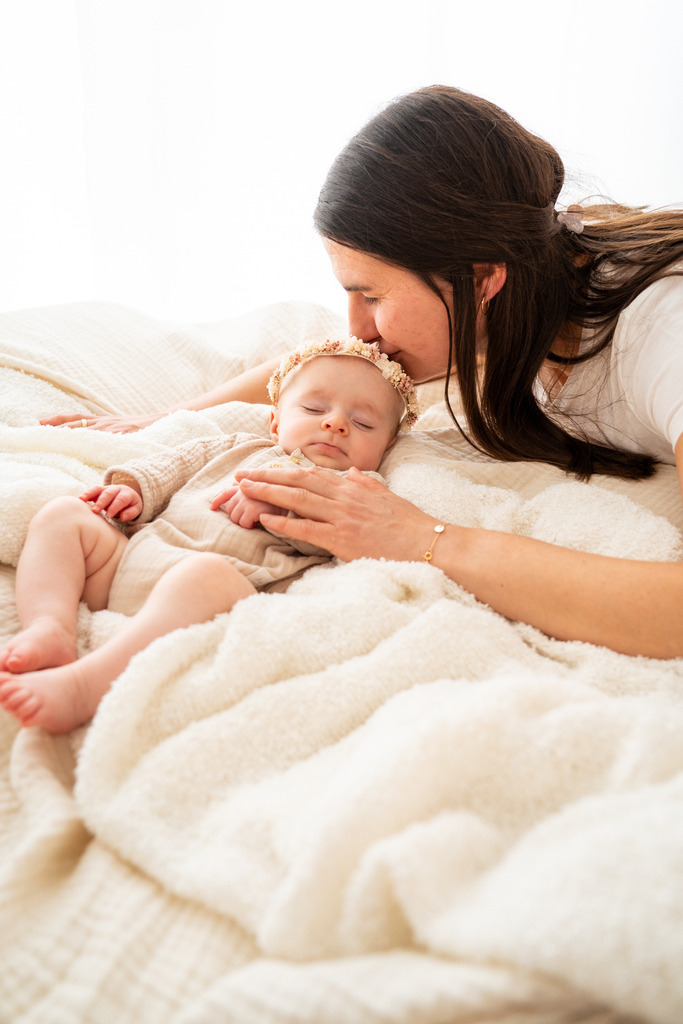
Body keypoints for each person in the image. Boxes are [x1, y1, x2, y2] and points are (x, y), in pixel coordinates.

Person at [40, 86, 683, 659]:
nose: (356, 327)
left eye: (371, 297)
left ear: (483, 279)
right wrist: (171, 419)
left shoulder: (662, 333)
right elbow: (337, 362)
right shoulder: (525, 273)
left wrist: (421, 539)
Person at [0, 340, 418, 734]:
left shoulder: (353, 490)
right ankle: (51, 627)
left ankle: (84, 687)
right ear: (275, 421)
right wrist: (132, 490)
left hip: (213, 596)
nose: (335, 424)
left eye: (362, 423)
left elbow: (339, 542)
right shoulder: (236, 446)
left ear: (387, 445)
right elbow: (173, 465)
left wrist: (281, 509)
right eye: (313, 408)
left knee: (203, 575)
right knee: (64, 514)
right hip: (133, 558)